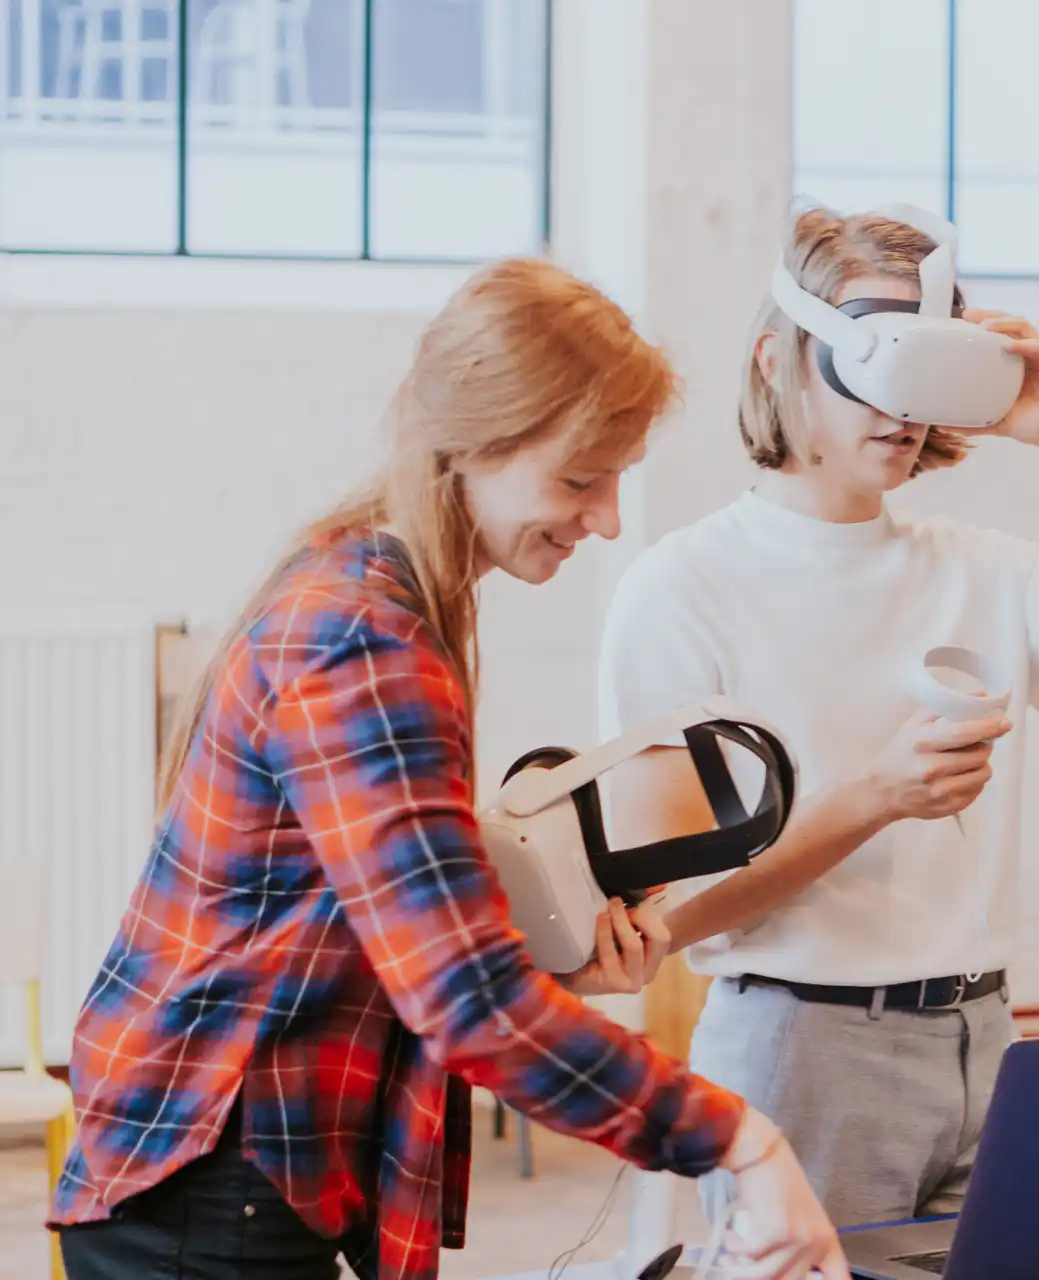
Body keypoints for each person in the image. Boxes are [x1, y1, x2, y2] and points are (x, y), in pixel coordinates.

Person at [49, 259, 848, 1280]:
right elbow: (465, 1001)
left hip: (226, 1163)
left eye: (616, 479)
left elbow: (384, 922)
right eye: (577, 477)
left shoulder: (371, 585)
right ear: (471, 443)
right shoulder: (361, 638)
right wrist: (742, 1138)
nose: (605, 519)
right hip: (209, 1176)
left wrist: (533, 959)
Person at [597, 205, 1039, 1229]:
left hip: (984, 1036)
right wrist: (873, 799)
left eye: (926, 367)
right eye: (873, 363)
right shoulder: (682, 588)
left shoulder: (985, 568)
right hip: (802, 1044)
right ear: (779, 357)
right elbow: (664, 917)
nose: (900, 408)